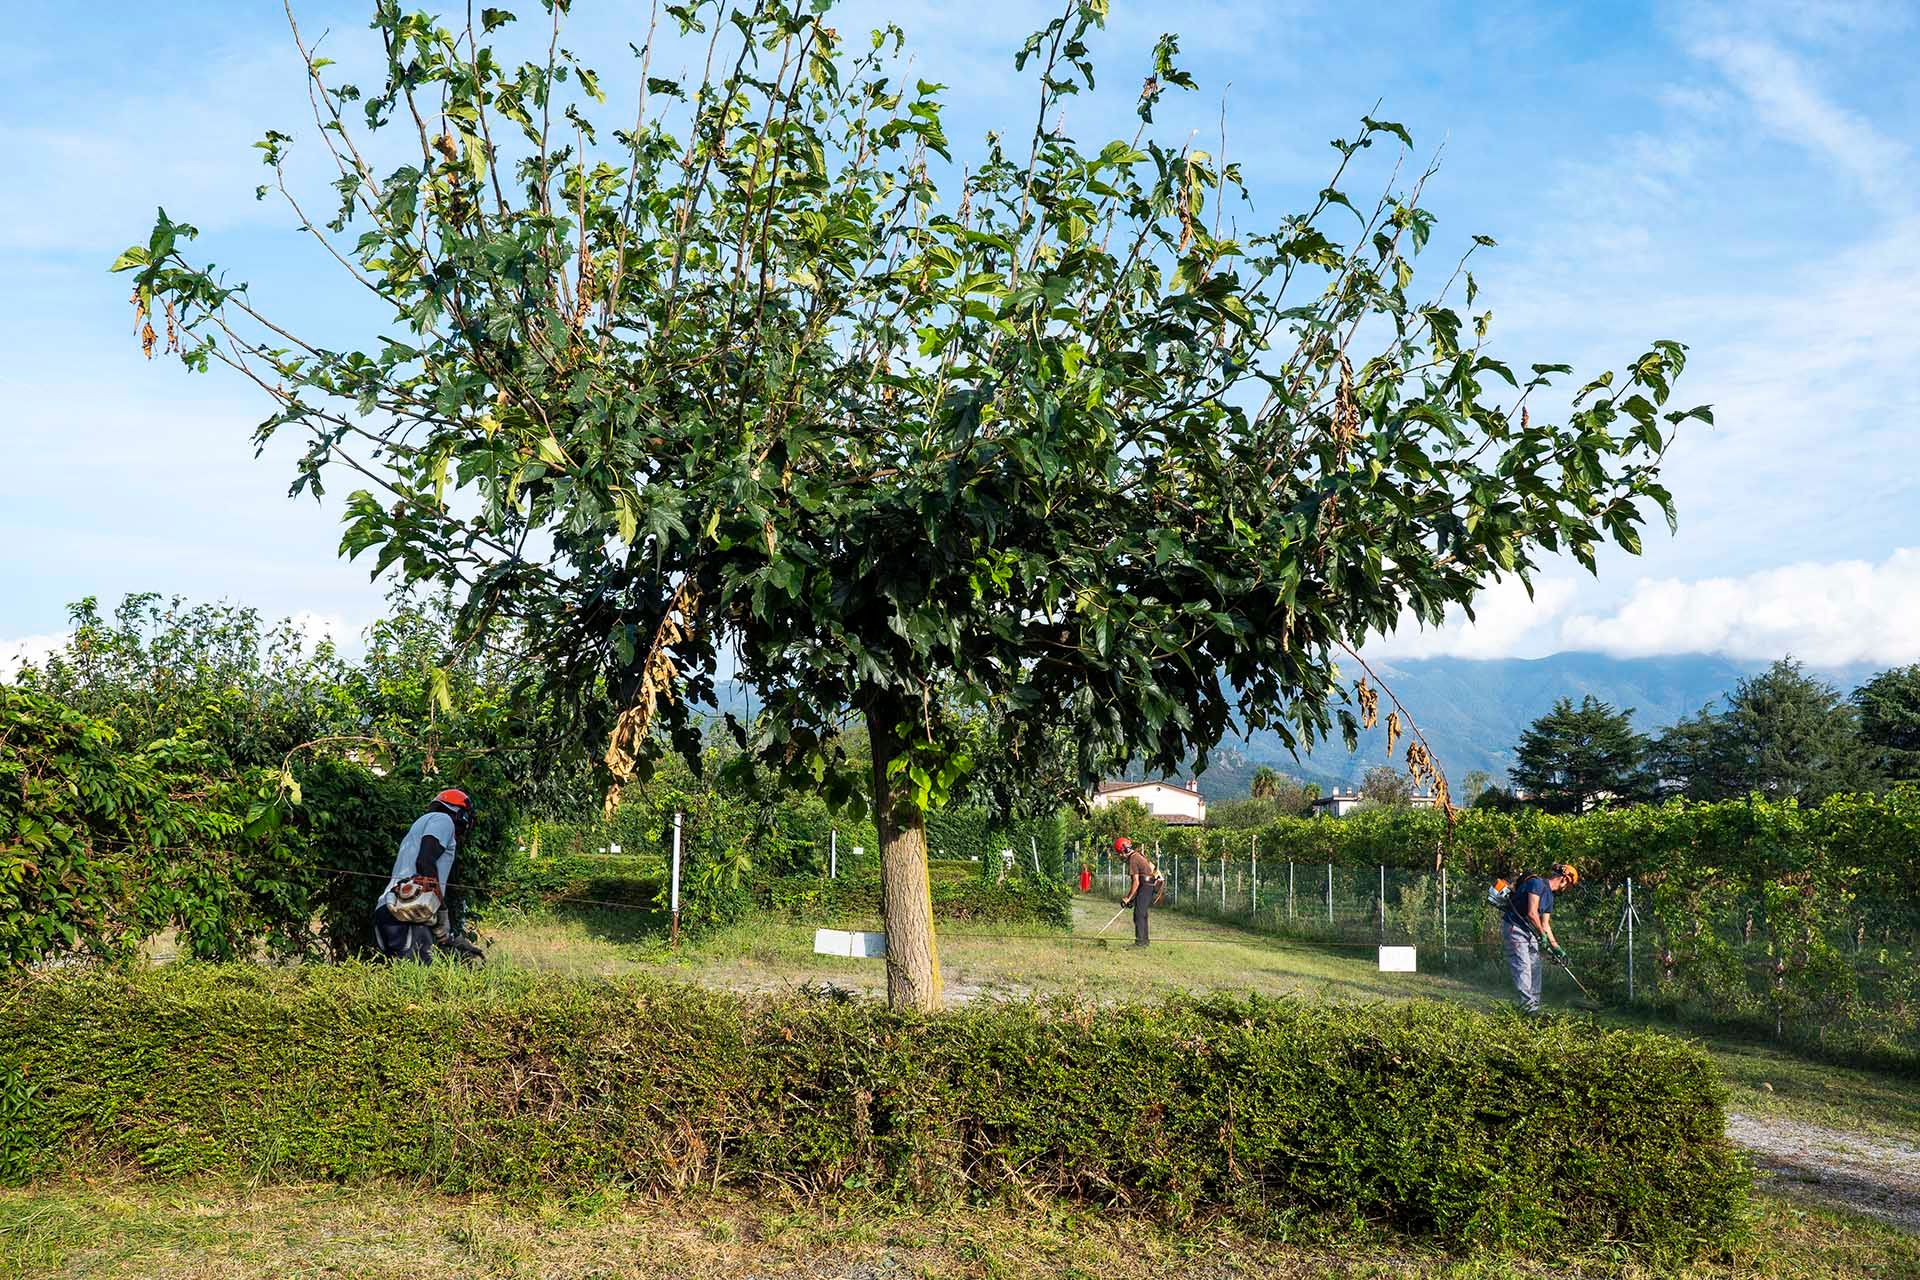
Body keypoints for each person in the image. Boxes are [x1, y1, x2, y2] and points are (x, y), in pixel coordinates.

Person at [372, 788, 484, 963]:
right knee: (419, 979)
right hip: (407, 914)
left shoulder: (421, 825)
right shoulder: (443, 820)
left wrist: (448, 934)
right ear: (460, 815)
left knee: (400, 981)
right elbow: (425, 861)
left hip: (390, 910)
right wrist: (442, 909)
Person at [1502, 862, 1578, 1014]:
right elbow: (1532, 913)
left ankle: (1534, 1008)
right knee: (1523, 968)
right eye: (1569, 886)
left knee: (1535, 968)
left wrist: (1556, 947)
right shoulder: (1536, 884)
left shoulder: (1550, 897)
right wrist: (1541, 935)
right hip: (1515, 928)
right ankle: (1526, 1009)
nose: (1567, 889)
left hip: (1529, 931)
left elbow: (1545, 925)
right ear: (1564, 879)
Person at [1115, 836, 1163, 948]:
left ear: (1124, 850)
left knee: (1139, 914)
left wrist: (1128, 898)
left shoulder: (1133, 859)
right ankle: (1144, 941)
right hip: (1147, 885)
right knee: (1142, 914)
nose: (1120, 856)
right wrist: (1132, 898)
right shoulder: (1137, 855)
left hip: (1146, 885)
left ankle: (1140, 943)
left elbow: (1136, 882)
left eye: (1120, 853)